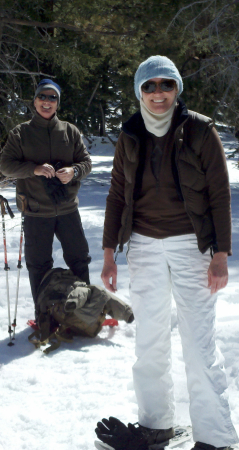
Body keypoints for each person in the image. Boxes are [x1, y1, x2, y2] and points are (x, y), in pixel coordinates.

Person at [100, 56, 238, 450]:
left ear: (177, 89)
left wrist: (220, 254)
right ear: (138, 91)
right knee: (149, 340)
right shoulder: (129, 134)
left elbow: (218, 193)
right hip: (142, 245)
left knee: (198, 343)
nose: (158, 93)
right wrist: (109, 252)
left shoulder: (198, 129)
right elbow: (115, 194)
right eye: (149, 86)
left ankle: (214, 438)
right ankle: (156, 425)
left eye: (166, 85)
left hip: (191, 246)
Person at [0, 79, 92, 320]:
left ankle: (85, 312)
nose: (47, 102)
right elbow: (6, 166)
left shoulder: (70, 131)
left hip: (68, 209)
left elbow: (86, 162)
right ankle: (44, 315)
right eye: (43, 96)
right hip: (35, 210)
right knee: (39, 265)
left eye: (52, 98)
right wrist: (34, 169)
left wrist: (74, 171)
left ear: (58, 103)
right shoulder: (21, 133)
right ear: (35, 100)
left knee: (79, 259)